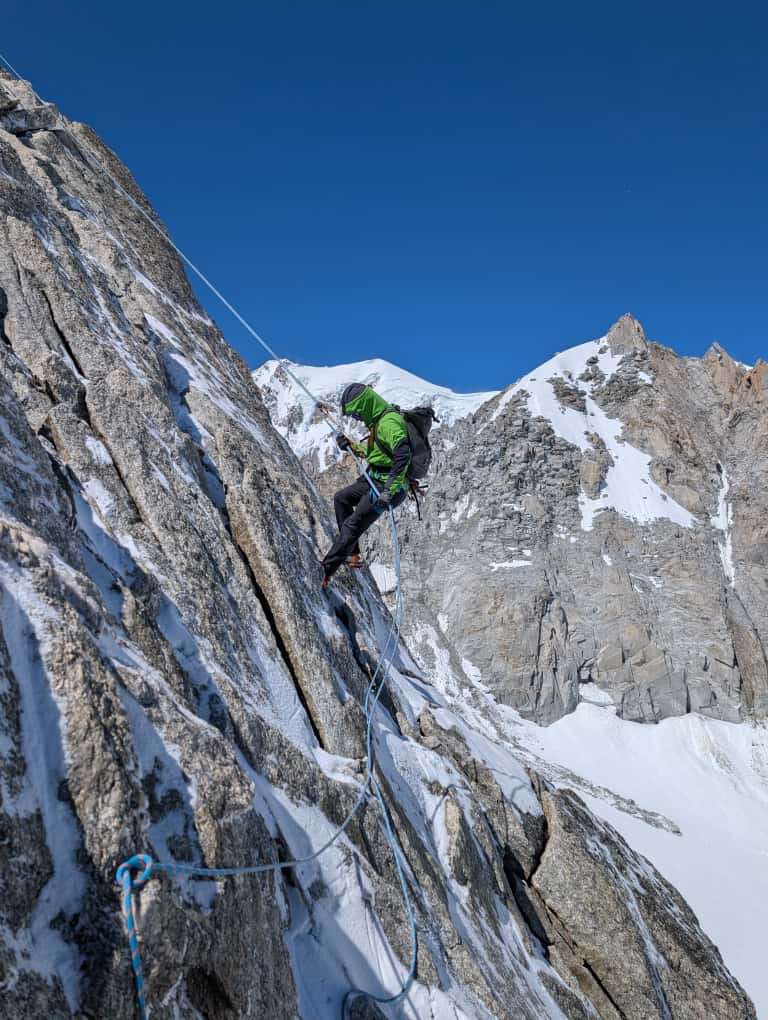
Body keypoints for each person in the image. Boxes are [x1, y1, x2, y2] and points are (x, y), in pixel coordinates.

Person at [321, 383, 412, 587]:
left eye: (356, 414)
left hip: (389, 487)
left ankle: (325, 571)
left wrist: (389, 490)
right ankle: (352, 554)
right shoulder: (378, 422)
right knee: (341, 499)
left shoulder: (389, 423)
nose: (357, 418)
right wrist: (350, 446)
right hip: (376, 479)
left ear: (364, 406)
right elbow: (377, 454)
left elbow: (403, 454)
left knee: (353, 524)